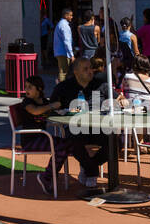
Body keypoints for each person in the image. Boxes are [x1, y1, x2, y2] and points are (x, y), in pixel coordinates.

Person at [37, 57, 112, 190]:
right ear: (76, 72)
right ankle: (92, 170)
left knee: (114, 143)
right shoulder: (64, 87)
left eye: (91, 68)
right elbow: (53, 107)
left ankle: (89, 166)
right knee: (74, 142)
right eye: (86, 69)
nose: (90, 71)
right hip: (75, 127)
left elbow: (118, 98)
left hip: (99, 128)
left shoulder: (101, 84)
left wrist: (122, 100)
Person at [53, 7, 75, 82]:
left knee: (63, 72)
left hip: (61, 52)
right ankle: (61, 90)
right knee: (63, 73)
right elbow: (67, 41)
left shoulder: (61, 24)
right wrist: (71, 54)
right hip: (63, 53)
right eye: (70, 15)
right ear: (66, 15)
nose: (72, 17)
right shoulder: (64, 25)